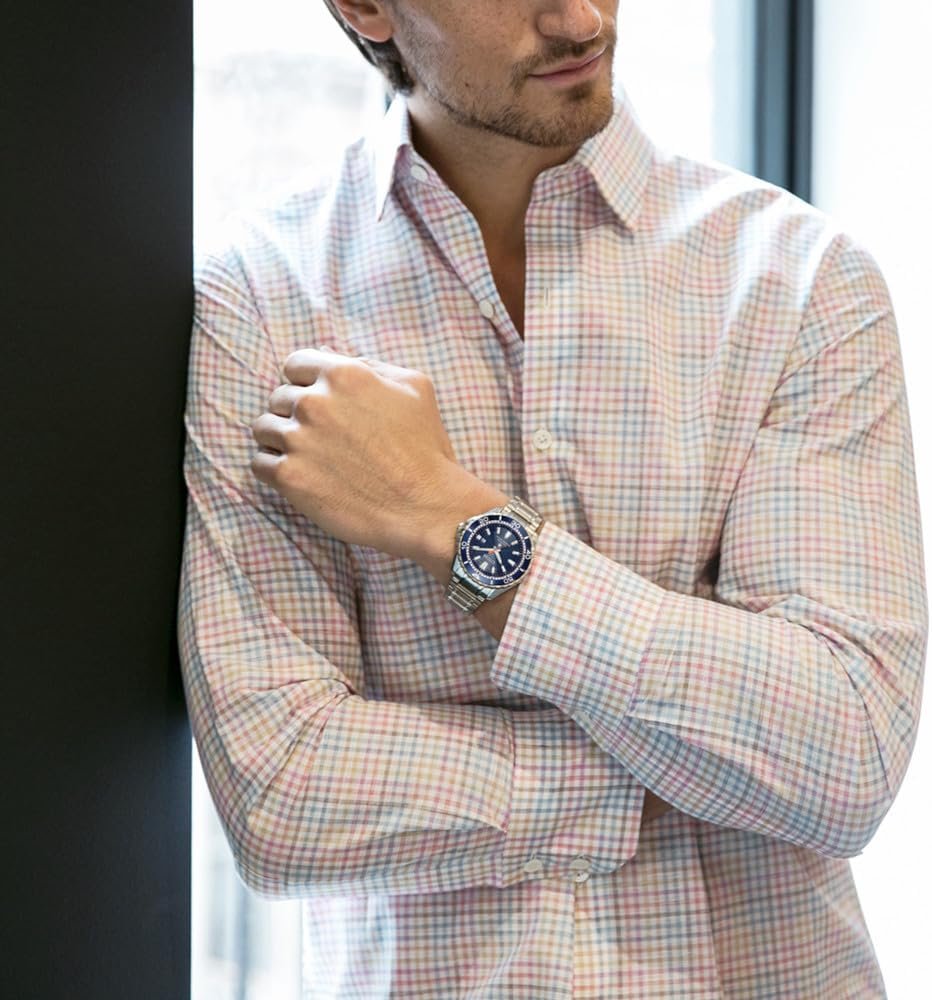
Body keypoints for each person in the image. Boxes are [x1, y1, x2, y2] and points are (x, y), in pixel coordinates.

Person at [177, 1, 928, 996]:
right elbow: (283, 797)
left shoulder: (802, 282)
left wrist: (447, 518)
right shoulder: (258, 299)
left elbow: (844, 755)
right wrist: (702, 767)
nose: (579, 17)